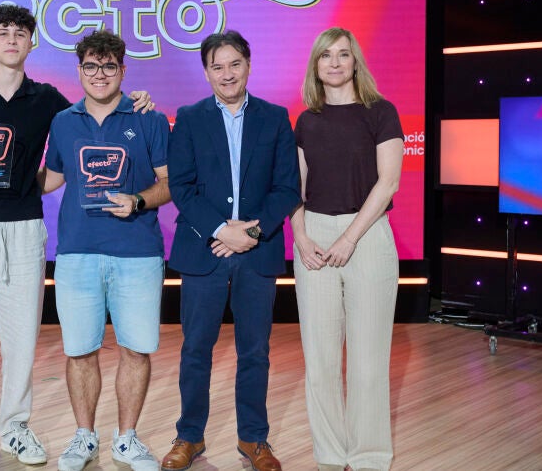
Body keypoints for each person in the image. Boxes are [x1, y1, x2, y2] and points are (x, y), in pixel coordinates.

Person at [0, 4, 153, 471]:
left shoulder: (49, 100)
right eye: (3, 32)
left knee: (21, 337)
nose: (12, 39)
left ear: (32, 42)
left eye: (20, 33)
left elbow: (93, 111)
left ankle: (15, 427)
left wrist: (138, 100)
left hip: (26, 228)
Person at [161, 30, 300, 471]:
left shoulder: (275, 118)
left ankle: (253, 439)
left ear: (248, 65)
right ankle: (189, 437)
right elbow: (181, 186)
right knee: (195, 350)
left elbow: (287, 188)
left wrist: (250, 233)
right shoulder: (189, 118)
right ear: (206, 72)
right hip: (204, 251)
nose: (226, 74)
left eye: (234, 64)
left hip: (257, 252)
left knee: (255, 352)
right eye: (217, 66)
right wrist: (222, 229)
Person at [40, 30, 171, 471]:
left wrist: (138, 201)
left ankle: (127, 439)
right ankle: (85, 437)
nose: (100, 74)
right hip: (77, 253)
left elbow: (168, 183)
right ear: (79, 70)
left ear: (122, 70)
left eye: (109, 66)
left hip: (137, 253)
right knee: (79, 351)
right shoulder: (63, 121)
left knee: (136, 349)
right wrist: (2, 179)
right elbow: (52, 177)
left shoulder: (149, 118)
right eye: (91, 66)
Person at [289, 27, 403, 471]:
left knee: (368, 362)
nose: (334, 63)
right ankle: (330, 456)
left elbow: (387, 182)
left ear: (355, 61)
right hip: (314, 238)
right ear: (315, 66)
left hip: (367, 234)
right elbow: (294, 188)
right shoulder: (306, 121)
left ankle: (369, 457)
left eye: (342, 54)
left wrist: (349, 237)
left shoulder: (381, 112)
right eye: (325, 56)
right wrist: (301, 237)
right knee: (319, 361)